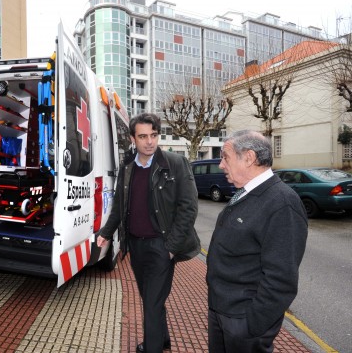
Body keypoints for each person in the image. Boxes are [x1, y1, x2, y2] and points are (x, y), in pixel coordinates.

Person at [97, 113, 200, 353]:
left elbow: (189, 207)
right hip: (135, 246)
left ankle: (152, 347)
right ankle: (162, 338)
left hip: (161, 247)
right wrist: (106, 231)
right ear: (133, 138)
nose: (150, 141)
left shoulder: (175, 163)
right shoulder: (128, 166)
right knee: (150, 298)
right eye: (143, 136)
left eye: (153, 135)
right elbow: (120, 206)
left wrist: (172, 247)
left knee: (152, 303)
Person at [206, 130, 308, 353]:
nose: (221, 165)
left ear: (249, 158)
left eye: (225, 157)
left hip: (244, 323)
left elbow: (281, 279)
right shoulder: (244, 193)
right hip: (222, 311)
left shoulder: (282, 203)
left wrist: (252, 326)